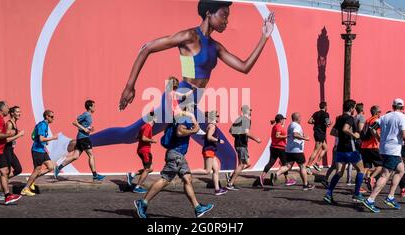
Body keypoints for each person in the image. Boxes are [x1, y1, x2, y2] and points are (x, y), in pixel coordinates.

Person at [90, 0, 276, 171]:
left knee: (130, 134)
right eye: (224, 15)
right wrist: (130, 86)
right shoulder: (189, 36)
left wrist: (264, 37)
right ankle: (82, 142)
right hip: (180, 100)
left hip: (191, 104)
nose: (227, 21)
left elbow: (244, 67)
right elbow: (147, 47)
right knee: (131, 135)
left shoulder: (216, 47)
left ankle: (81, 143)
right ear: (209, 13)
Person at [134, 103, 214, 218]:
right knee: (165, 180)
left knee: (187, 178)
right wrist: (194, 126)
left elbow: (167, 131)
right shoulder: (184, 118)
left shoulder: (175, 118)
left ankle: (197, 208)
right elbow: (180, 132)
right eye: (193, 108)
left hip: (178, 154)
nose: (194, 110)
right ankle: (143, 202)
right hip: (176, 155)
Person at [363, 99, 405, 213]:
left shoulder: (384, 116)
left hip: (385, 148)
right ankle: (370, 199)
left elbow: (372, 127)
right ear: (403, 107)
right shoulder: (403, 117)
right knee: (384, 175)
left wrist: (379, 139)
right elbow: (404, 134)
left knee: (401, 170)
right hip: (392, 150)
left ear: (392, 106)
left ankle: (390, 197)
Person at [323, 99, 366, 205]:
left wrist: (343, 135)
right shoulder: (350, 118)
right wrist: (354, 135)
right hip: (350, 149)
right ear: (351, 108)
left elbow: (333, 132)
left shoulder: (340, 118)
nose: (354, 110)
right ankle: (356, 194)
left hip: (340, 149)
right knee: (361, 170)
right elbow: (345, 129)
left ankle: (328, 194)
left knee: (339, 172)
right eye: (354, 108)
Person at [54, 100, 105, 181]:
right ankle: (95, 175)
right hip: (84, 138)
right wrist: (84, 129)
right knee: (91, 155)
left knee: (75, 156)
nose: (95, 108)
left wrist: (89, 129)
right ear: (90, 107)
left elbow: (81, 125)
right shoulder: (86, 114)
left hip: (82, 138)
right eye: (94, 106)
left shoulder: (89, 115)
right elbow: (74, 122)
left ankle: (58, 168)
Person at [269, 112, 315, 190]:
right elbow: (295, 134)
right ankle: (305, 185)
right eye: (300, 118)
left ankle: (277, 174)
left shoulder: (290, 125)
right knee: (302, 166)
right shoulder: (297, 125)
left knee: (288, 166)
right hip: (297, 150)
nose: (301, 119)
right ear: (297, 118)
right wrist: (305, 138)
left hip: (289, 150)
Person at [0, 106, 25, 201]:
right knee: (6, 172)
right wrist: (19, 135)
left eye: (20, 111)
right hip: (5, 150)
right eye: (17, 112)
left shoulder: (14, 123)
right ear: (12, 113)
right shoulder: (9, 124)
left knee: (18, 169)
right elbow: (6, 139)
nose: (19, 113)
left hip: (10, 150)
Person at [21, 110, 58, 196]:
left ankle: (31, 179)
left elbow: (39, 139)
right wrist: (53, 138)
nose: (53, 118)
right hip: (37, 151)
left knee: (51, 167)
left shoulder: (44, 125)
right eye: (51, 117)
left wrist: (45, 145)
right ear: (47, 117)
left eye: (53, 116)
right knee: (37, 170)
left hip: (42, 150)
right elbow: (41, 139)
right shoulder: (42, 125)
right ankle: (25, 189)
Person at [191, 110, 228, 195]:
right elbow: (209, 137)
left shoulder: (210, 125)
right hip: (209, 150)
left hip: (211, 150)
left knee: (216, 170)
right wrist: (218, 140)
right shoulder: (212, 126)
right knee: (207, 171)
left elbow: (206, 136)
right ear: (213, 117)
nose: (218, 118)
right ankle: (187, 171)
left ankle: (217, 190)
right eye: (217, 116)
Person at [226, 105, 261, 190]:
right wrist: (257, 139)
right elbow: (247, 133)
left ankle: (231, 175)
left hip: (239, 144)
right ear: (247, 111)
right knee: (241, 165)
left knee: (248, 164)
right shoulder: (246, 120)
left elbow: (230, 130)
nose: (251, 112)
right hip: (241, 145)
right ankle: (230, 184)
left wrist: (237, 135)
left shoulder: (238, 119)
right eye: (250, 110)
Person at [259, 114, 293, 188]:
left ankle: (262, 176)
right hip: (280, 148)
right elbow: (277, 135)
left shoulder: (275, 126)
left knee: (271, 162)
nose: (284, 120)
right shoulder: (278, 127)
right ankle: (287, 180)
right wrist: (287, 136)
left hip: (273, 147)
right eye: (283, 119)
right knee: (285, 165)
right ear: (280, 120)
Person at [126, 112, 157, 193]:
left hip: (142, 150)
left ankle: (132, 175)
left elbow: (137, 136)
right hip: (144, 151)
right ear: (153, 118)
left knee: (150, 169)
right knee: (147, 169)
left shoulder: (143, 126)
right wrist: (152, 140)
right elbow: (143, 138)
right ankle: (137, 187)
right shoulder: (148, 127)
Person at [360, 105, 383, 192]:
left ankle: (359, 186)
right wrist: (379, 139)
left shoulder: (368, 120)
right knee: (381, 166)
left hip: (364, 146)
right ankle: (371, 178)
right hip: (372, 146)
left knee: (366, 167)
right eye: (380, 112)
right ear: (377, 113)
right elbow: (373, 130)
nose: (381, 113)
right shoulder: (375, 120)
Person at [307, 101, 330, 173]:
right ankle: (307, 166)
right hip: (320, 133)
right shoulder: (326, 114)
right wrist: (329, 123)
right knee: (316, 150)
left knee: (325, 148)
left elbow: (309, 121)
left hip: (317, 133)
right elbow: (328, 123)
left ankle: (317, 163)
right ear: (325, 106)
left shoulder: (316, 113)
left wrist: (316, 122)